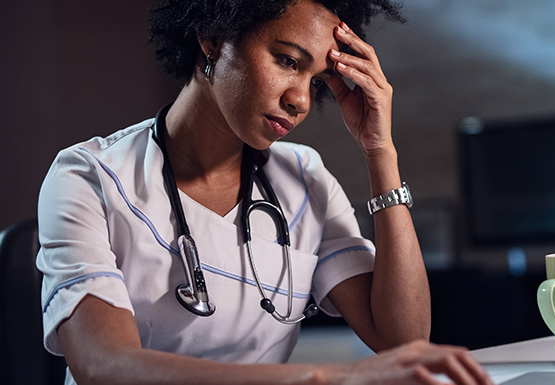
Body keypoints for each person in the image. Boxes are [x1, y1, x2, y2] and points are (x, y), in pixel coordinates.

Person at [35, 0, 494, 384]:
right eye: (288, 61)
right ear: (213, 36)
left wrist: (380, 152)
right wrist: (325, 377)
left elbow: (402, 339)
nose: (301, 100)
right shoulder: (88, 177)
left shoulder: (304, 178)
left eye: (315, 81)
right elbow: (105, 366)